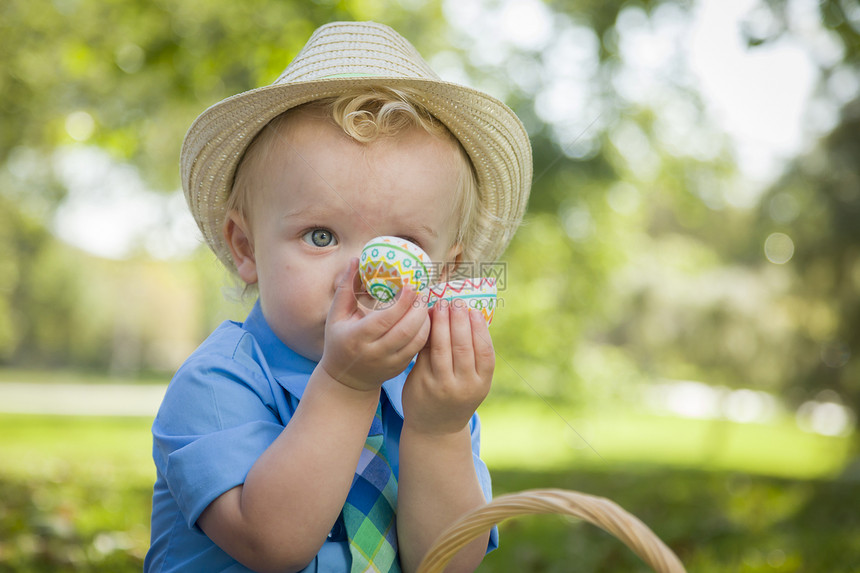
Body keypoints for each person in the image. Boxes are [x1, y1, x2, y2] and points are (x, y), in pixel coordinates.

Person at [145, 21, 532, 573]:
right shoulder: (217, 383)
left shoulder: (430, 398)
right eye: (320, 237)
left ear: (447, 270)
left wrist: (438, 431)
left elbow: (444, 565)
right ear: (246, 247)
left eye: (400, 247)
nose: (363, 277)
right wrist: (346, 385)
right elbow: (272, 544)